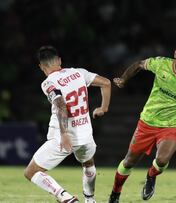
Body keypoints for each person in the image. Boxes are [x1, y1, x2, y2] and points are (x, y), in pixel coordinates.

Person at [108, 41, 176, 203]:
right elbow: (139, 64)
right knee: (128, 162)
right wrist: (124, 78)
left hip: (171, 126)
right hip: (147, 122)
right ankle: (115, 195)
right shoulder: (161, 64)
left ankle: (151, 177)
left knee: (162, 159)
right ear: (175, 54)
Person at [24, 46, 111, 203]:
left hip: (63, 137)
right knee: (88, 164)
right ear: (59, 60)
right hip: (86, 136)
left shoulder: (48, 83)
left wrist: (64, 134)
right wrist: (103, 108)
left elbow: (61, 104)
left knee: (31, 172)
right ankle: (90, 200)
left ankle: (65, 198)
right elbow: (106, 83)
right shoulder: (79, 72)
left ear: (41, 66)